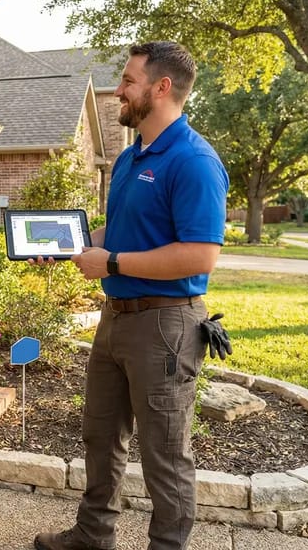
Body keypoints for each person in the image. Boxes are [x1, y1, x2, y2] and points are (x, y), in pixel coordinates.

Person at [32, 42, 229, 550]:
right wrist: (65, 247)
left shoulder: (194, 161)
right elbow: (116, 231)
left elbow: (200, 256)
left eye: (127, 80)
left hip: (165, 327)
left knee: (165, 454)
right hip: (115, 319)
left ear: (161, 88)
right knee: (100, 436)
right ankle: (93, 535)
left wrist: (113, 263)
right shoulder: (129, 157)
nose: (118, 90)